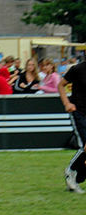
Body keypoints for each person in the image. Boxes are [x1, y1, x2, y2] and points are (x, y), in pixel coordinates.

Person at [59, 57, 86, 193]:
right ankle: (71, 171)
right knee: (85, 145)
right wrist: (66, 103)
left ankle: (78, 175)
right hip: (79, 111)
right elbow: (60, 85)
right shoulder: (77, 69)